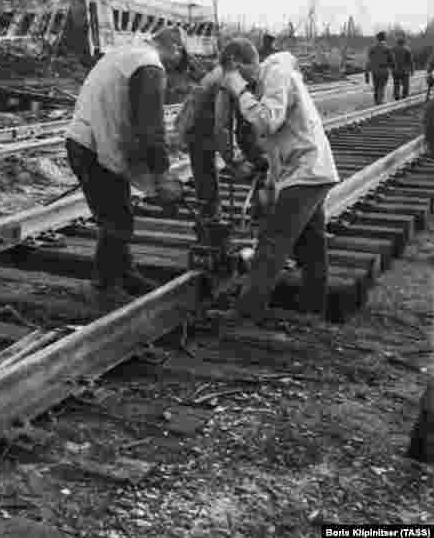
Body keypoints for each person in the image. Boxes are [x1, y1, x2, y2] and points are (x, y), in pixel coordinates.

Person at [215, 38, 340, 321]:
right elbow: (277, 138)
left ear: (236, 65)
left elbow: (268, 120)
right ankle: (313, 309)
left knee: (273, 241)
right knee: (311, 245)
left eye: (231, 75)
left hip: (306, 171)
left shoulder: (276, 73)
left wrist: (239, 90)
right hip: (305, 170)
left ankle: (247, 313)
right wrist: (272, 181)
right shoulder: (271, 78)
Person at [65, 27, 187, 310]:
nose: (170, 72)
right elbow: (150, 127)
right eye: (174, 64)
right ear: (174, 49)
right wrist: (162, 174)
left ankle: (124, 274)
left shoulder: (127, 52)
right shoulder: (149, 65)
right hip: (93, 145)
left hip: (87, 142)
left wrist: (149, 175)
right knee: (116, 220)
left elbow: (134, 123)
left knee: (118, 211)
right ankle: (103, 288)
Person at [176, 63, 267, 219]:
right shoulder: (228, 82)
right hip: (198, 127)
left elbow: (242, 127)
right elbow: (224, 129)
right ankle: (211, 221)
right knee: (206, 177)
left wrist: (254, 155)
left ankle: (255, 211)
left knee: (258, 162)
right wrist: (236, 162)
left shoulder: (234, 76)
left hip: (201, 122)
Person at [365, 31, 394, 105]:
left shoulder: (372, 49)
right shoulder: (387, 49)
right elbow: (392, 61)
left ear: (377, 39)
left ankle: (376, 101)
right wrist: (393, 69)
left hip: (375, 71)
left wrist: (367, 73)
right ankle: (380, 102)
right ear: (385, 38)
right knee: (381, 87)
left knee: (376, 86)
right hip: (384, 71)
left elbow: (368, 61)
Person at [391, 35, 413, 100]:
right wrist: (412, 70)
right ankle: (404, 96)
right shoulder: (407, 49)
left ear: (397, 42)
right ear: (403, 42)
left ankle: (396, 96)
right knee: (405, 84)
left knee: (396, 84)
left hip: (395, 70)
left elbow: (390, 59)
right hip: (404, 70)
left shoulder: (393, 49)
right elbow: (410, 61)